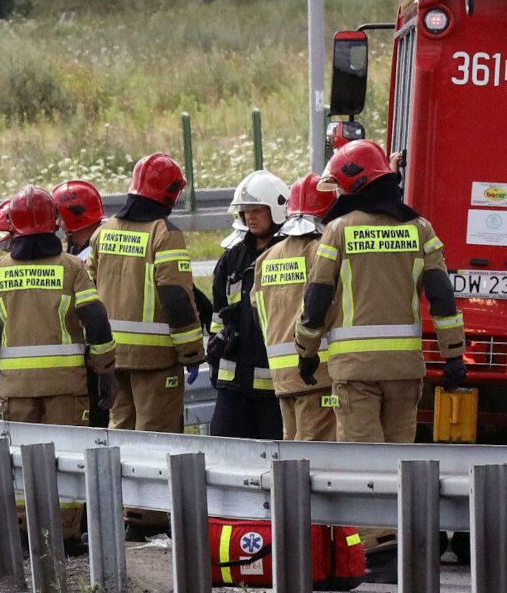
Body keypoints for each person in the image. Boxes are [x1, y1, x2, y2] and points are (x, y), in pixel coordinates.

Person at [296, 139, 466, 443]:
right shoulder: (420, 229)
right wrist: (453, 354)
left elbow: (317, 296)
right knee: (399, 463)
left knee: (366, 467)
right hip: (405, 370)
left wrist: (306, 351)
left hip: (355, 370)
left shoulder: (338, 231)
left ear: (354, 182)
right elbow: (441, 296)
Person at [0, 184, 117, 426]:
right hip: (66, 386)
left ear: (13, 224)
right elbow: (96, 321)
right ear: (53, 221)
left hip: (17, 388)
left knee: (24, 460)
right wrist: (106, 371)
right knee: (70, 459)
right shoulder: (72, 268)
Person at [88, 153, 205, 432]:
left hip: (114, 356)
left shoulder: (103, 233)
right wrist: (191, 352)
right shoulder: (164, 233)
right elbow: (176, 296)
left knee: (123, 434)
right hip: (156, 360)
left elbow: (90, 291)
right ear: (171, 193)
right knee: (156, 440)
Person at [252, 173, 338, 440]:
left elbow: (258, 312)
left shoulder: (267, 257)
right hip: (317, 373)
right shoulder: (320, 251)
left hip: (282, 376)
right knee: (317, 457)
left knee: (291, 451)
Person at [206, 170, 290, 439]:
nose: (250, 217)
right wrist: (216, 351)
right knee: (222, 447)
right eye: (246, 211)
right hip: (234, 381)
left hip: (274, 382)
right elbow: (218, 314)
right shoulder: (232, 259)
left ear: (276, 210)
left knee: (275, 456)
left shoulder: (290, 253)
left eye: (257, 210)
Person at [54, 178, 111, 428]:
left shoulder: (85, 258)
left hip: (96, 354)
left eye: (60, 217)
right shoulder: (80, 253)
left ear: (72, 219)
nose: (57, 223)